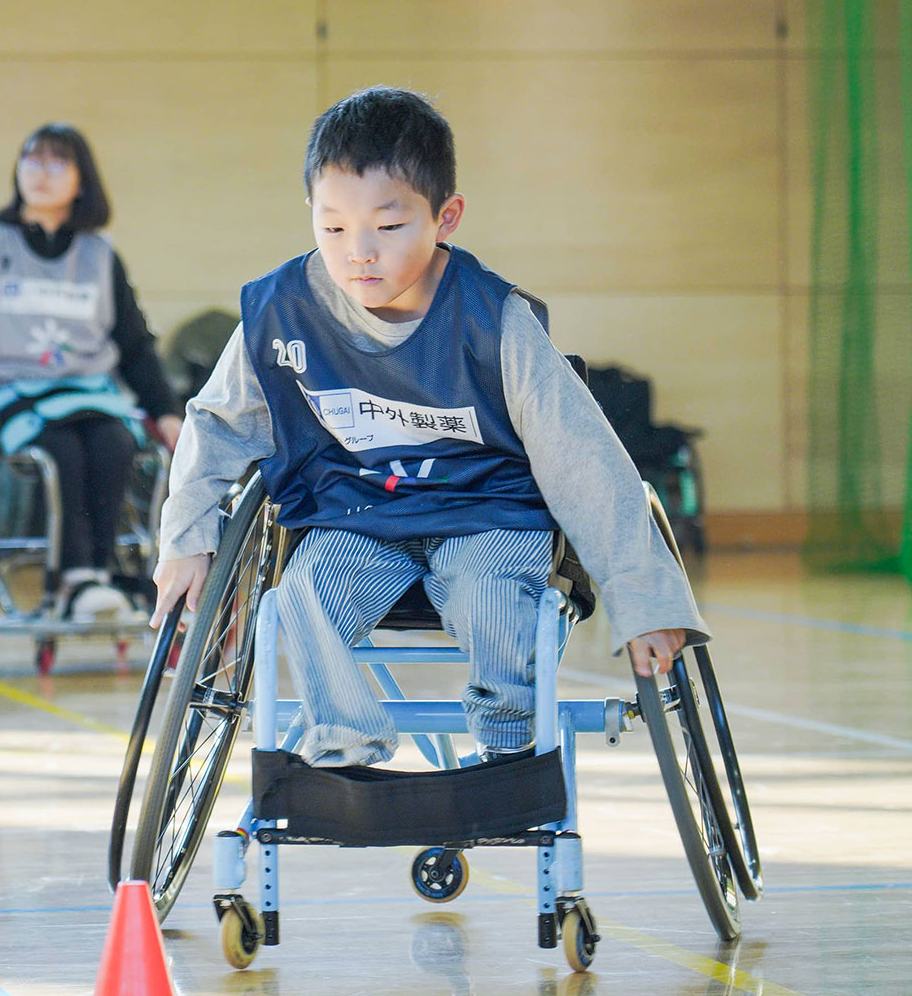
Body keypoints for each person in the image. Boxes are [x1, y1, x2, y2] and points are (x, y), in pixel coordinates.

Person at [151, 87, 708, 768]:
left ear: (446, 217)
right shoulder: (283, 312)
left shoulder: (493, 319)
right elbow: (214, 425)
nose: (358, 252)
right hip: (356, 511)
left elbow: (585, 460)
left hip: (488, 513)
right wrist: (185, 538)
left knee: (493, 601)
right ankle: (346, 746)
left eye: (387, 228)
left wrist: (643, 599)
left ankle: (508, 750)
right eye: (332, 228)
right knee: (300, 597)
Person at [0, 122, 183, 619]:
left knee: (114, 442)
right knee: (59, 447)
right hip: (10, 390)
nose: (41, 173)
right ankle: (74, 580)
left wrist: (165, 411)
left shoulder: (100, 256)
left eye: (57, 162)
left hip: (90, 390)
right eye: (32, 160)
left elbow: (133, 344)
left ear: (81, 180)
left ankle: (99, 574)